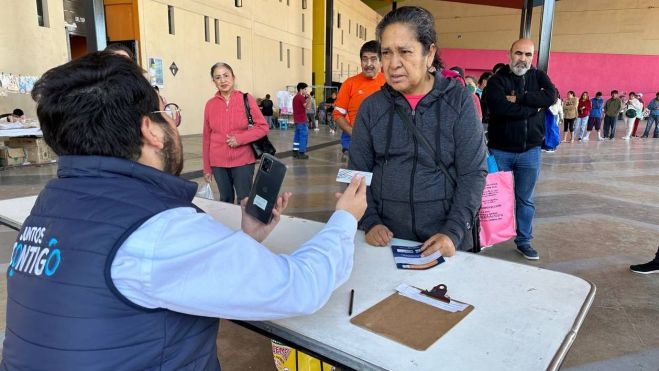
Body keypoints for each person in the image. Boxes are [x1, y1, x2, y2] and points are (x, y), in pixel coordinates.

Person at [2, 51, 368, 370]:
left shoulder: (51, 204)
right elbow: (299, 288)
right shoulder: (159, 231)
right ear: (152, 130)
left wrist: (245, 240)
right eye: (167, 112)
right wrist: (344, 219)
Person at [349, 6, 487, 256]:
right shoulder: (372, 108)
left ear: (429, 53)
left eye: (405, 52)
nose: (393, 64)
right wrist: (370, 222)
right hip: (386, 242)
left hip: (444, 242)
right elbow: (357, 172)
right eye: (386, 53)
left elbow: (473, 173)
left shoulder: (458, 102)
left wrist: (453, 232)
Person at [483, 38, 557, 260]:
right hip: (500, 151)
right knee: (493, 197)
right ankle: (489, 238)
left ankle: (524, 241)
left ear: (532, 57)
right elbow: (500, 108)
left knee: (525, 199)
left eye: (527, 55)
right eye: (518, 53)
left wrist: (521, 99)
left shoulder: (538, 76)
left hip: (530, 152)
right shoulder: (497, 80)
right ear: (509, 53)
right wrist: (534, 109)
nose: (522, 59)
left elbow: (551, 96)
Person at [203, 62, 269, 203]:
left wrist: (240, 139)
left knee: (244, 200)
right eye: (218, 77)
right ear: (213, 81)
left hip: (243, 160)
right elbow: (206, 138)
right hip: (218, 162)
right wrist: (207, 167)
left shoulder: (246, 99)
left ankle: (245, 226)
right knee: (225, 199)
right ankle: (227, 226)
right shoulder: (210, 105)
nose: (223, 80)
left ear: (233, 77)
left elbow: (263, 127)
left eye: (226, 75)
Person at [333, 40, 385, 162]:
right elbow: (338, 114)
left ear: (381, 62)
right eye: (364, 59)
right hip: (358, 148)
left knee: (383, 180)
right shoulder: (349, 84)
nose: (368, 64)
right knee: (357, 180)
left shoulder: (390, 83)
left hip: (384, 148)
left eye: (373, 59)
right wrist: (355, 134)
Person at [292, 82, 310, 159]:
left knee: (297, 136)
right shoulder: (301, 97)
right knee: (303, 136)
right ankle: (301, 152)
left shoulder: (295, 97)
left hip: (296, 120)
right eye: (305, 89)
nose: (306, 91)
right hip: (302, 121)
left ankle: (295, 151)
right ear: (301, 89)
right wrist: (309, 99)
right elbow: (307, 107)